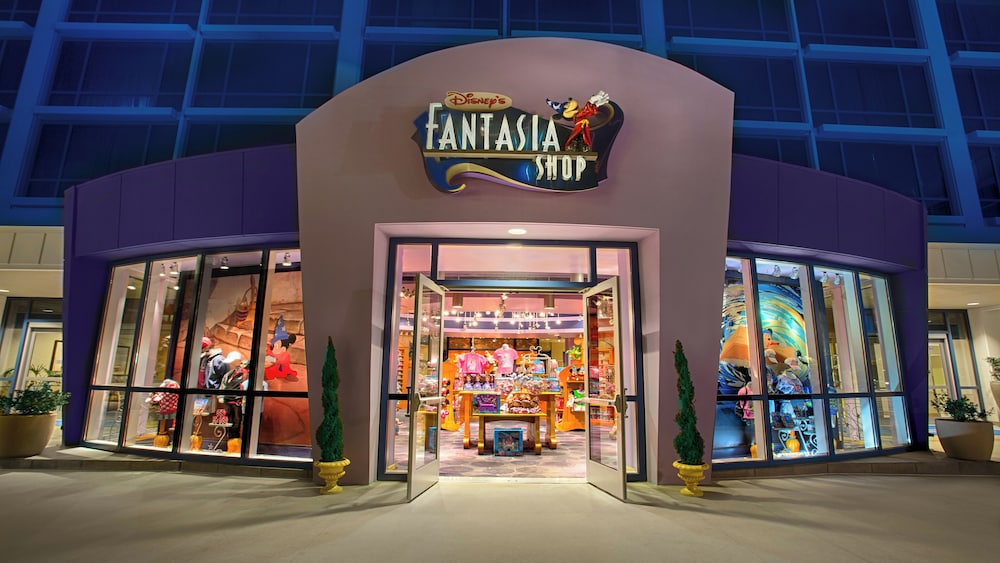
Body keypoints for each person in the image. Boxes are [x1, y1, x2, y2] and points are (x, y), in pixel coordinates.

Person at [264, 315, 298, 382]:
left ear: (283, 349)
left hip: (278, 369)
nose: (274, 348)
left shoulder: (285, 356)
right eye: (274, 346)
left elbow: (281, 364)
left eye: (276, 346)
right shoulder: (270, 351)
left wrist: (274, 361)